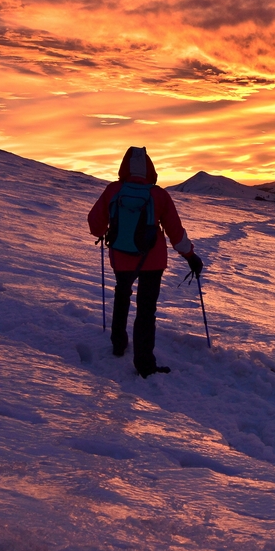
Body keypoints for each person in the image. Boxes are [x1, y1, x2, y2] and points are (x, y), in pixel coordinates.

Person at [88, 146, 204, 377]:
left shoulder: (114, 190)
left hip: (121, 257)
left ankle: (118, 344)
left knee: (122, 295)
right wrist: (190, 255)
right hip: (152, 260)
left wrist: (105, 230)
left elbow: (94, 224)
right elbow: (175, 231)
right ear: (150, 169)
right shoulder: (158, 194)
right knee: (146, 309)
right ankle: (144, 364)